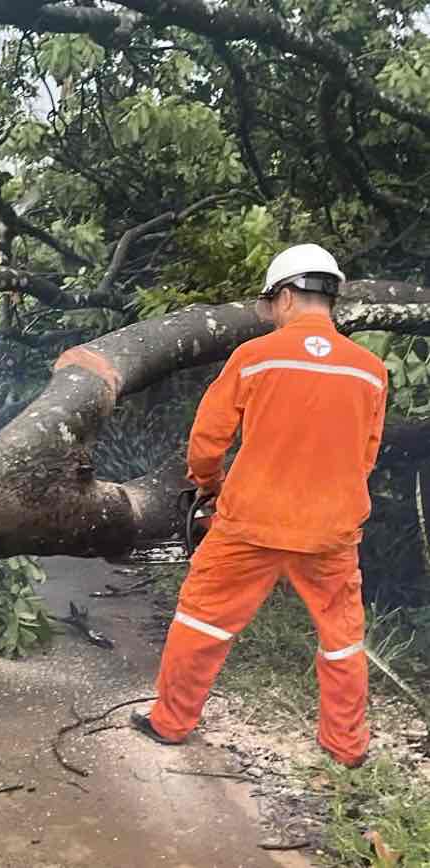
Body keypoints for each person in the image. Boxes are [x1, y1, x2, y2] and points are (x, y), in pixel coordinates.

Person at [132, 244, 387, 769]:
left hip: (249, 523)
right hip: (332, 531)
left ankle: (171, 723)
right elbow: (366, 453)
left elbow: (207, 440)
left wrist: (210, 484)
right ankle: (347, 748)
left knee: (201, 621)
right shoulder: (371, 371)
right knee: (342, 640)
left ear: (286, 296)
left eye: (271, 304)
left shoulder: (254, 357)